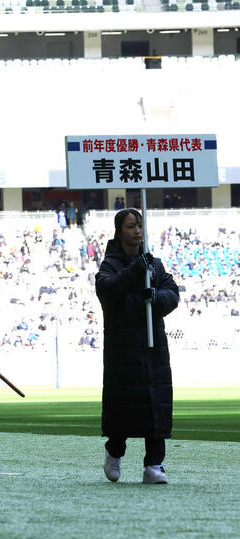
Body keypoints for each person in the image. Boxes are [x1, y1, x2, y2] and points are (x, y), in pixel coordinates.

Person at [95, 208, 179, 485]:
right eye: (131, 226)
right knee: (124, 405)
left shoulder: (155, 265)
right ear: (119, 232)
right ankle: (114, 450)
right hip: (124, 348)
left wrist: (156, 297)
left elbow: (172, 293)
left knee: (156, 403)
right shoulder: (109, 265)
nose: (137, 231)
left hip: (154, 347)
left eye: (140, 225)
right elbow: (109, 291)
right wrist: (135, 270)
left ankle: (154, 464)